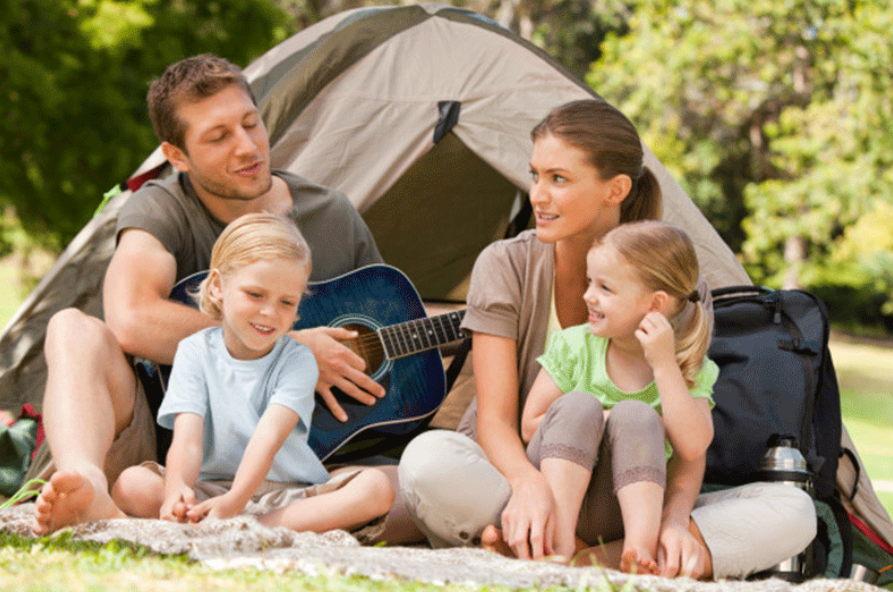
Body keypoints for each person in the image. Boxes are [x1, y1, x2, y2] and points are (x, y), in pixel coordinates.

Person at [398, 99, 816, 579]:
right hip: (521, 477)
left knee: (794, 509)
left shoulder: (676, 284)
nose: (538, 195)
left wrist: (677, 520)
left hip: (635, 492)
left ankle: (562, 557)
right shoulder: (506, 264)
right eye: (535, 175)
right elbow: (495, 420)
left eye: (558, 179)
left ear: (614, 189)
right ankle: (617, 559)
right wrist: (527, 485)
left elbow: (688, 447)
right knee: (428, 463)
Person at [31, 54, 393, 535]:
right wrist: (287, 344)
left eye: (251, 123)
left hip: (299, 453)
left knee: (390, 484)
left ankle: (251, 517)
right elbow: (130, 318)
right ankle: (88, 488)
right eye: (218, 137)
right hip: (165, 446)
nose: (248, 147)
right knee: (71, 328)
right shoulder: (161, 206)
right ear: (176, 155)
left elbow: (386, 319)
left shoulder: (330, 214)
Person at [111, 213, 394, 534]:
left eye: (287, 302)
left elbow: (267, 438)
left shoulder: (298, 359)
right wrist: (177, 488)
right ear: (218, 287)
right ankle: (217, 522)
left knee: (375, 488)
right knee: (130, 483)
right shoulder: (194, 351)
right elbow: (187, 439)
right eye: (255, 295)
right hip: (210, 490)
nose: (269, 313)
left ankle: (251, 527)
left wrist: (234, 503)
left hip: (287, 495)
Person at [517, 220, 716, 573]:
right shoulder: (575, 345)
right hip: (557, 491)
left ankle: (638, 552)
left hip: (619, 510)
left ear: (656, 305)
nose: (587, 296)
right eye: (589, 282)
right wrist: (602, 421)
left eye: (605, 288)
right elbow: (531, 426)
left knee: (637, 416)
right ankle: (558, 543)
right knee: (580, 406)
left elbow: (694, 447)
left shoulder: (684, 365)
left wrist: (665, 366)